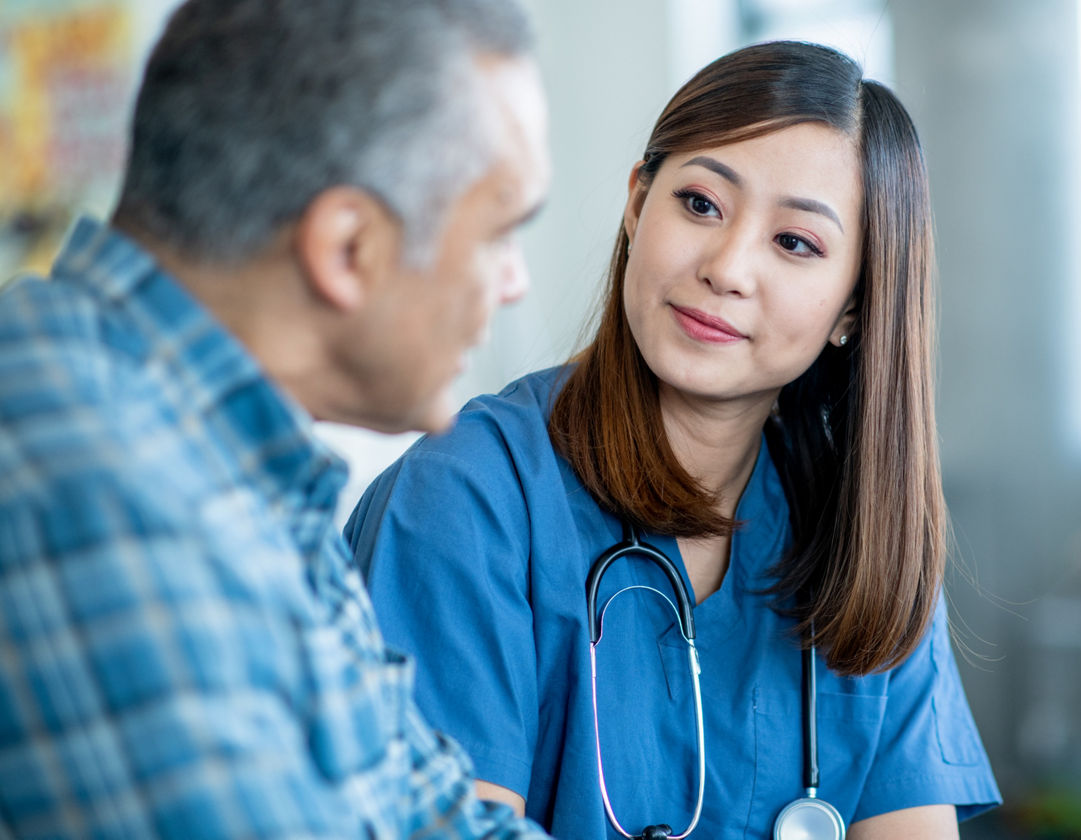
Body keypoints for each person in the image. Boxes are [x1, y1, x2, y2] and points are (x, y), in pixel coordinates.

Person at [346, 40, 1001, 839]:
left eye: (796, 243)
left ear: (853, 311)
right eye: (700, 204)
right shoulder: (466, 498)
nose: (726, 267)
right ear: (636, 204)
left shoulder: (865, 539)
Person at [0, 0, 553, 837]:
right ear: (347, 250)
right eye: (498, 235)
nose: (513, 283)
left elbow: (441, 817)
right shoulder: (90, 482)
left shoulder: (244, 470)